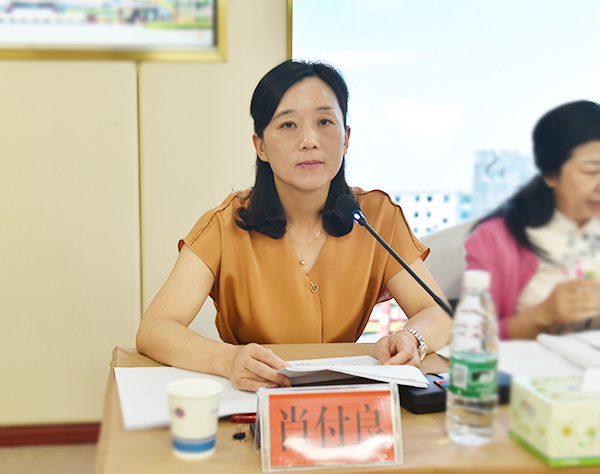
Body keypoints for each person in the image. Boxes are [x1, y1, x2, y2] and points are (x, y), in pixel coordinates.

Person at [136, 59, 452, 391]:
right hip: (255, 397)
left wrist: (412, 338)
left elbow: (437, 312)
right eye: (288, 125)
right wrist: (227, 360)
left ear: (346, 139)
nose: (309, 140)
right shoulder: (224, 225)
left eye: (324, 121)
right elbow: (155, 328)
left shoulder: (376, 216)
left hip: (343, 401)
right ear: (260, 146)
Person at [464, 100, 600, 340]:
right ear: (550, 174)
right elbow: (472, 339)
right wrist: (544, 315)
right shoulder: (494, 239)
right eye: (591, 172)